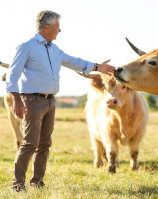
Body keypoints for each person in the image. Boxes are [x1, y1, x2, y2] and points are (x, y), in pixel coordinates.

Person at [6, 10, 115, 192]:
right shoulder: (26, 47)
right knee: (30, 143)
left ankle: (37, 182)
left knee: (45, 144)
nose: (60, 30)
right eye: (57, 27)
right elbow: (13, 74)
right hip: (31, 101)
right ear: (47, 27)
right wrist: (16, 99)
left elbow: (74, 61)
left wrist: (98, 67)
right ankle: (17, 185)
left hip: (50, 102)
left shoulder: (54, 49)